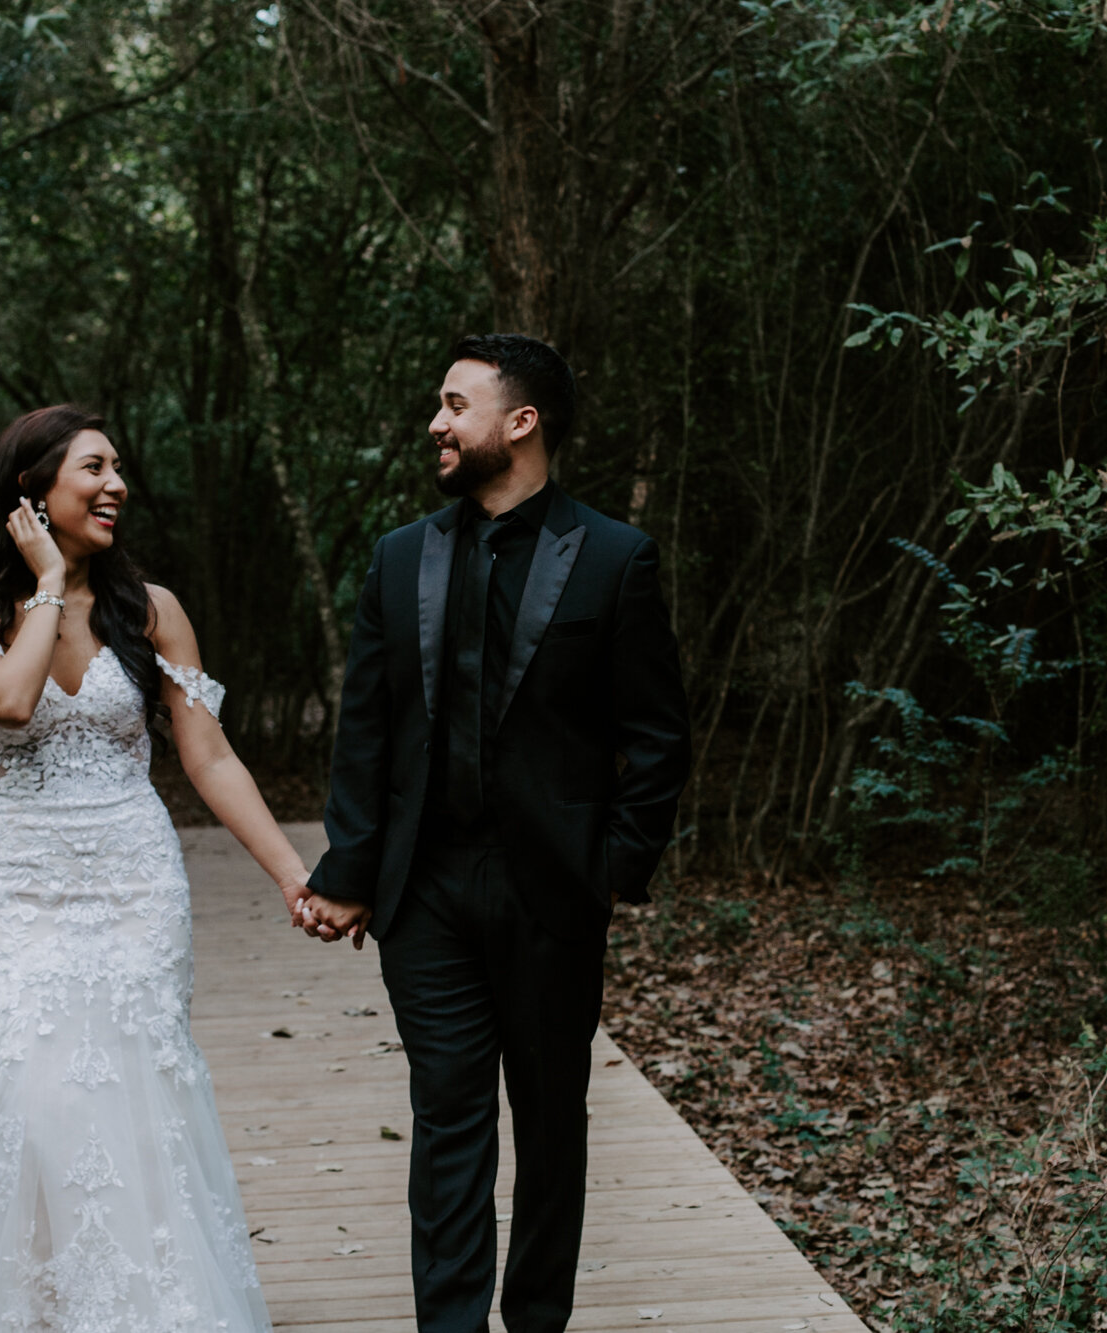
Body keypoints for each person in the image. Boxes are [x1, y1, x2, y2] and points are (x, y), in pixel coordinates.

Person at [0, 405, 312, 1333]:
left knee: (141, 1075)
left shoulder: (154, 610)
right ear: (33, 493)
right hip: (19, 883)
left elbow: (209, 756)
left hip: (135, 874)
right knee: (33, 1079)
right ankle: (36, 1294)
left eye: (119, 469)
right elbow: (13, 700)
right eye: (95, 468)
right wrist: (50, 583)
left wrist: (289, 872)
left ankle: (155, 1299)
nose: (118, 486)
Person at [299, 335, 691, 1333]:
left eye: (453, 403)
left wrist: (614, 868)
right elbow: (366, 731)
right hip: (422, 892)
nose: (434, 422)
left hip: (552, 894)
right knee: (448, 1125)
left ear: (519, 423)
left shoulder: (612, 557)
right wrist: (349, 867)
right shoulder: (397, 559)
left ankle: (535, 1321)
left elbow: (655, 736)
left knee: (550, 1128)